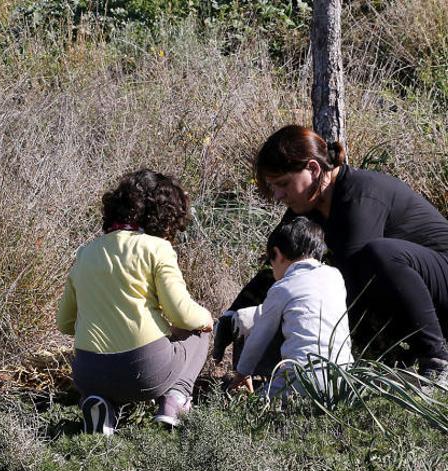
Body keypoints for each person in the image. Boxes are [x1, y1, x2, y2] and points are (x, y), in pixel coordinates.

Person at [215, 124, 448, 385]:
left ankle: (437, 361)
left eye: (283, 184)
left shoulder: (360, 194)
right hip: (407, 298)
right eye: (274, 186)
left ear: (314, 169)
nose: (278, 195)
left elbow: (351, 288)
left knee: (375, 256)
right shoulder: (305, 209)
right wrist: (232, 317)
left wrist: (260, 316)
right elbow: (278, 270)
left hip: (440, 285)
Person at [56, 169, 214, 433]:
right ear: (163, 213)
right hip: (145, 370)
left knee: (103, 382)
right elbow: (182, 315)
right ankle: (175, 400)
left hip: (88, 372)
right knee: (199, 333)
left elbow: (65, 323)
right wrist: (208, 318)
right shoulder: (156, 248)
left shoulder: (85, 253)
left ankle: (102, 405)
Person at [225, 217, 353, 396]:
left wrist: (242, 373)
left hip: (301, 380)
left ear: (277, 254)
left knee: (257, 408)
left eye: (271, 262)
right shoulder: (335, 276)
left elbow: (259, 337)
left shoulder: (282, 287)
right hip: (343, 379)